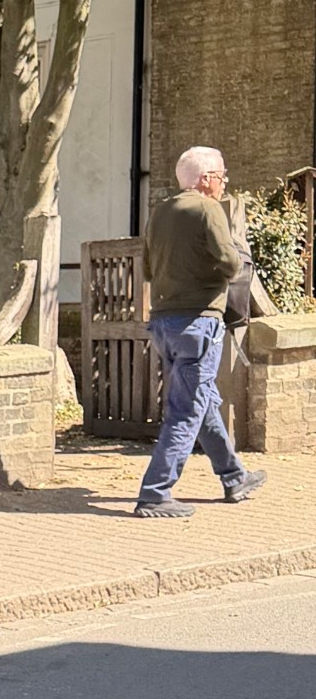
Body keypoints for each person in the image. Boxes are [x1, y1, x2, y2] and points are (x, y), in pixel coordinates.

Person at [135, 145, 268, 520]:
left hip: (163, 322)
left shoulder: (159, 213)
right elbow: (229, 262)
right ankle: (155, 493)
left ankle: (233, 477)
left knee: (203, 399)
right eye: (222, 176)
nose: (224, 183)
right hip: (198, 322)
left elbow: (147, 269)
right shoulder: (208, 208)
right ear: (206, 179)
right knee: (186, 409)